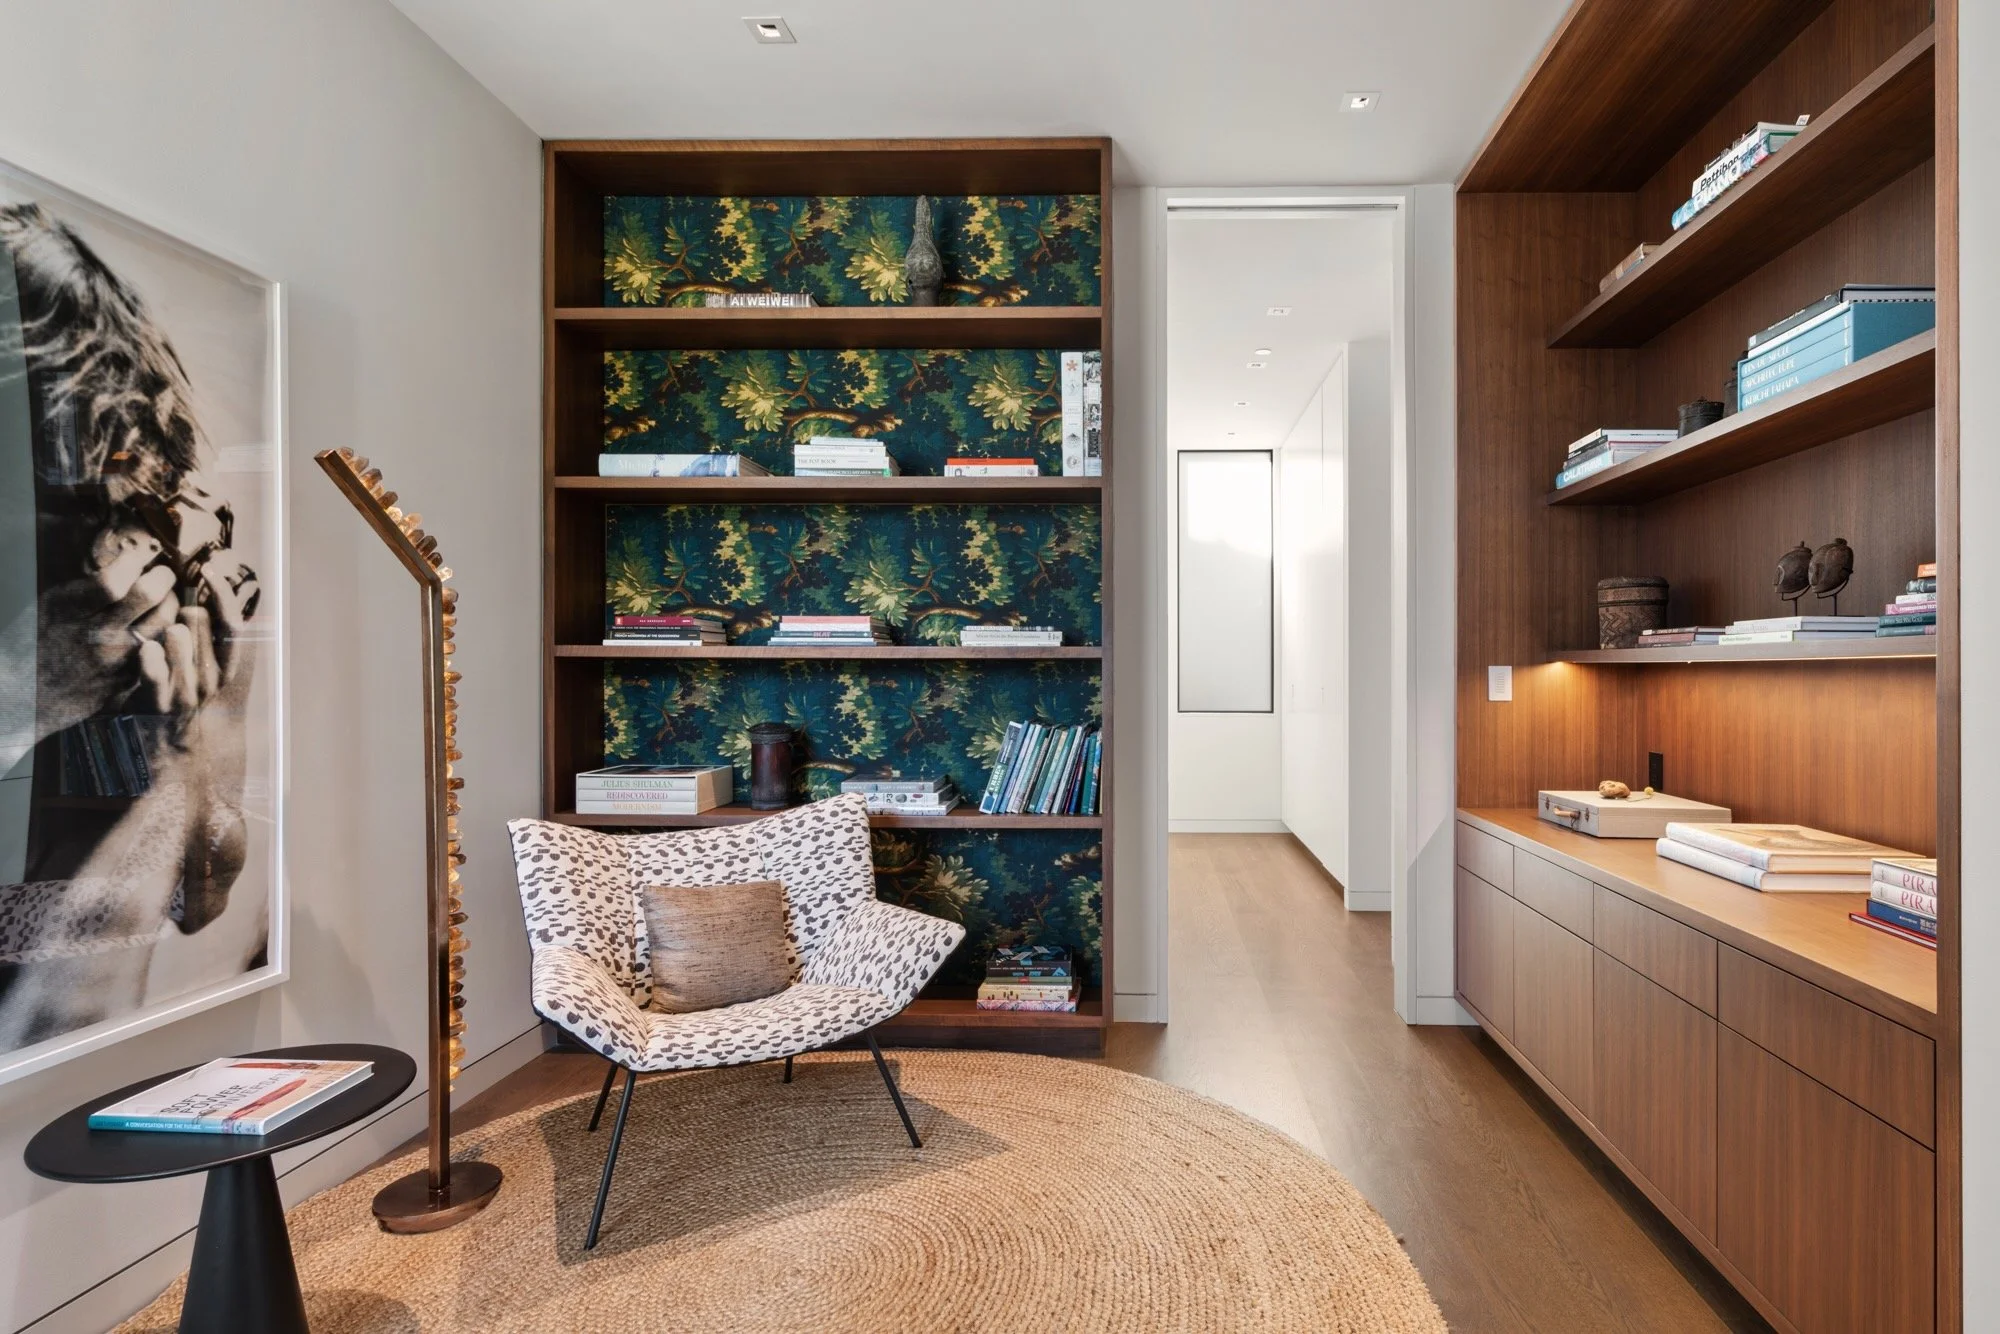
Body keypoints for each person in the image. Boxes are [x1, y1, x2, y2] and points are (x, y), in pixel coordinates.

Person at [0, 203, 260, 1050]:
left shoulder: (162, 641)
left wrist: (202, 744)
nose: (114, 573)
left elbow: (199, 898)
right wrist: (18, 697)